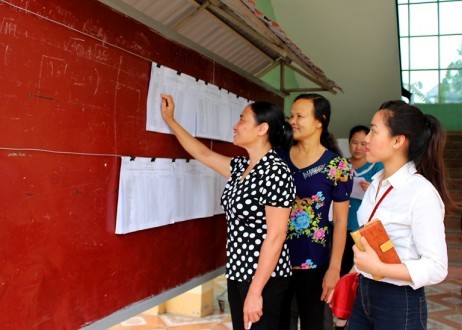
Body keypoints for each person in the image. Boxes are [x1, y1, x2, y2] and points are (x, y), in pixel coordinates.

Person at [159, 94, 295, 330]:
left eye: (242, 120)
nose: (235, 125)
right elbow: (203, 154)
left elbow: (276, 236)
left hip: (264, 280)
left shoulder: (277, 172)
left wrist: (255, 291)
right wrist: (170, 120)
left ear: (262, 128)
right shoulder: (242, 167)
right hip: (239, 272)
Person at [349, 100, 455, 329]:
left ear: (398, 140)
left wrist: (380, 269)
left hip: (398, 300)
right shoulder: (375, 184)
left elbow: (437, 267)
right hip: (364, 290)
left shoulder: (421, 193)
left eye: (374, 131)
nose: (366, 139)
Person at [277, 93, 353, 330]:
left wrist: (334, 268)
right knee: (279, 323)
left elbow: (341, 222)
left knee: (314, 324)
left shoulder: (337, 167)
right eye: (291, 116)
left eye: (300, 116)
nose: (293, 121)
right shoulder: (278, 158)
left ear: (320, 121)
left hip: (315, 262)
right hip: (276, 259)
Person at [340, 125, 383, 275]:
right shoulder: (341, 164)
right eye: (354, 142)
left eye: (363, 144)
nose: (358, 147)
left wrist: (372, 188)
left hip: (363, 227)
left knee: (360, 268)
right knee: (342, 265)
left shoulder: (377, 167)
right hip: (341, 225)